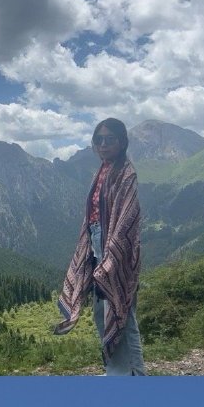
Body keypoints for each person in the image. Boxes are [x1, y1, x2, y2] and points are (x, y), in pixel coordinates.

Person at [58, 113, 144, 366]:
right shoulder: (103, 170)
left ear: (122, 142)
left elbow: (127, 219)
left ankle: (134, 380)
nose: (103, 144)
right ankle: (117, 375)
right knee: (101, 312)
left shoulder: (126, 173)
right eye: (99, 139)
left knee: (123, 317)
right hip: (98, 245)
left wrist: (110, 262)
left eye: (110, 139)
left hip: (116, 252)